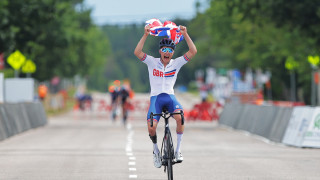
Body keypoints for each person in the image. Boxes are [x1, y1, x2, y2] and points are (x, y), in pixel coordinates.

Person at [134, 24, 197, 168]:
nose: (167, 53)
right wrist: (145, 35)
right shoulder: (152, 62)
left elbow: (193, 51)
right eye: (164, 50)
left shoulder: (176, 63)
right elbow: (137, 52)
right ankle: (156, 151)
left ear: (173, 52)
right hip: (156, 99)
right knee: (151, 127)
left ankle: (178, 150)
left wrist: (185, 34)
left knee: (180, 117)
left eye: (170, 50)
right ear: (160, 51)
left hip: (169, 98)